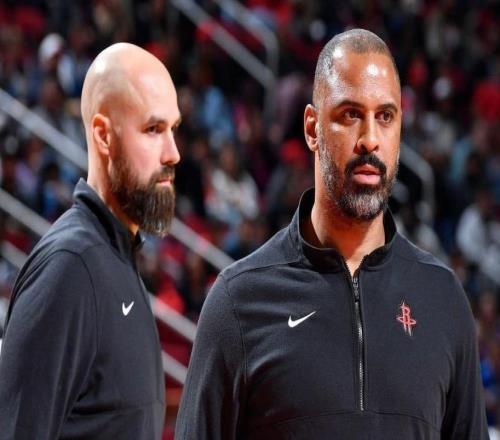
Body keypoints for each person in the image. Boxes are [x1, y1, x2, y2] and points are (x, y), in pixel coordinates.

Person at [175, 29, 488, 439]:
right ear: (312, 128)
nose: (370, 139)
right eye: (350, 115)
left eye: (385, 116)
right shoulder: (239, 301)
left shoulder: (443, 299)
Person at [0, 43, 181, 439]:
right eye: (153, 129)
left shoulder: (116, 256)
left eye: (174, 129)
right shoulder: (70, 267)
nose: (173, 153)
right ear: (103, 135)